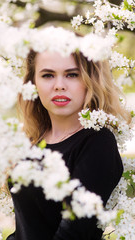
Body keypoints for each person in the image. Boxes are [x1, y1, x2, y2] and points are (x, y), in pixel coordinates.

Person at [7, 29, 131, 240]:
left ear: (90, 79)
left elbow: (73, 234)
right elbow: (26, 228)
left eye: (72, 74)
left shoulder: (97, 142)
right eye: (48, 75)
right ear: (33, 83)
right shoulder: (32, 141)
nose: (59, 86)